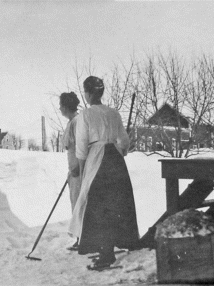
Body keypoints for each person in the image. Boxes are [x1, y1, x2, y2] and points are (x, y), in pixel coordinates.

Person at [71, 76, 139, 271]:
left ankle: (105, 252)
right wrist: (119, 152)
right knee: (115, 205)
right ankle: (108, 248)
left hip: (97, 160)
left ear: (89, 93)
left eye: (85, 92)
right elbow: (124, 142)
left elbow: (82, 147)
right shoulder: (113, 113)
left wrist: (84, 171)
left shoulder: (86, 114)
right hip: (115, 161)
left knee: (98, 207)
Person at [59, 92, 81, 251]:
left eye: (61, 106)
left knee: (80, 204)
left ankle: (82, 239)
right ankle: (81, 238)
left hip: (79, 171)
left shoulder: (77, 122)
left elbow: (82, 146)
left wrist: (77, 167)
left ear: (66, 107)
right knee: (76, 203)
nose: (60, 109)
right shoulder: (71, 122)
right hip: (73, 171)